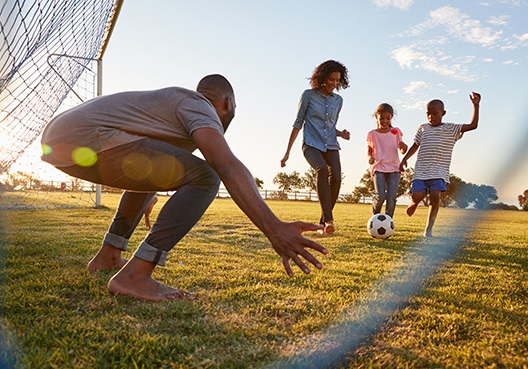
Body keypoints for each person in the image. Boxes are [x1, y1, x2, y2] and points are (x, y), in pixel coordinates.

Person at [41, 74, 328, 302]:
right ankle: (135, 276)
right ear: (226, 104)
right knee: (206, 177)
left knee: (166, 172)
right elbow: (225, 164)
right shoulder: (197, 103)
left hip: (61, 140)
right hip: (86, 136)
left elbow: (148, 163)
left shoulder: (173, 111)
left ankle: (108, 256)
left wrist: (148, 188)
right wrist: (273, 227)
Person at [280, 60, 350, 236]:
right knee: (322, 169)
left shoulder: (338, 100)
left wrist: (342, 134)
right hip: (311, 144)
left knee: (336, 178)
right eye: (331, 80)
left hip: (331, 145)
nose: (334, 84)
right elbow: (298, 123)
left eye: (337, 80)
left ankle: (323, 222)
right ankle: (329, 220)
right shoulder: (308, 96)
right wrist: (287, 152)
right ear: (323, 78)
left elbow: (330, 126)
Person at [399, 92, 481, 237]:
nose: (431, 117)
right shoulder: (423, 128)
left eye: (435, 113)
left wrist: (476, 106)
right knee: (417, 195)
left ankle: (428, 229)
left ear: (443, 113)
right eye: (428, 114)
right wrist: (404, 159)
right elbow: (415, 145)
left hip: (439, 171)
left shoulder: (451, 129)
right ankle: (414, 203)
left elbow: (473, 125)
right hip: (421, 170)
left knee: (435, 196)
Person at [367, 103, 408, 218]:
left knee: (391, 197)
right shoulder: (372, 134)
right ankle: (375, 218)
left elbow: (402, 150)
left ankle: (388, 220)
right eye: (382, 118)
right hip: (378, 167)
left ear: (391, 118)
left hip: (394, 168)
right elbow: (369, 150)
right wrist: (369, 158)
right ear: (376, 117)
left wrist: (404, 146)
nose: (385, 121)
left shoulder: (395, 132)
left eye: (388, 118)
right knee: (380, 196)